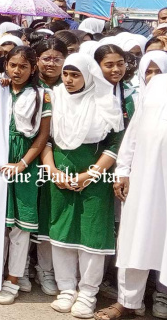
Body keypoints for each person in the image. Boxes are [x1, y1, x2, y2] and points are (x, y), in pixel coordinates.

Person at [98, 28, 167, 320]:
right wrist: (124, 170)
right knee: (134, 239)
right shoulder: (157, 84)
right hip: (144, 180)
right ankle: (127, 302)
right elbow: (135, 129)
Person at [40, 53, 124, 318]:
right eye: (66, 73)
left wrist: (89, 175)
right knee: (62, 231)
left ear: (88, 75)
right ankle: (66, 289)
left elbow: (114, 145)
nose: (68, 80)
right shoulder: (56, 98)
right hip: (60, 176)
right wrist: (52, 170)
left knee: (92, 233)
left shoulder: (105, 102)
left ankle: (88, 293)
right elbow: (47, 139)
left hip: (95, 178)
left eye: (75, 75)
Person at [0, 46, 52, 305]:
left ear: (33, 68)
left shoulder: (43, 94)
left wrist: (22, 163)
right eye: (13, 65)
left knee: (20, 226)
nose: (17, 71)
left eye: (23, 67)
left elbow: (42, 136)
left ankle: (13, 279)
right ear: (6, 65)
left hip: (24, 161)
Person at [94, 45, 135, 127]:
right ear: (97, 67)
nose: (116, 69)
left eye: (120, 64)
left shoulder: (130, 93)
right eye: (109, 66)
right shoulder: (91, 94)